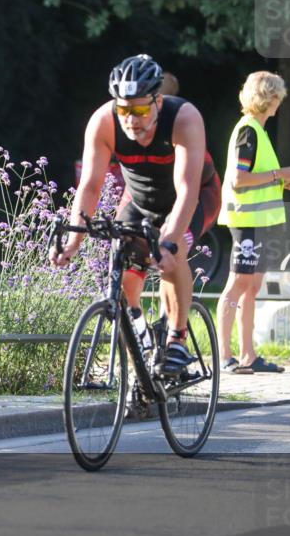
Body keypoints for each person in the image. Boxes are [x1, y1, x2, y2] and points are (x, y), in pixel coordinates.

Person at [51, 54, 220, 374]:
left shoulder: (183, 118)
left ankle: (176, 341)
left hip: (195, 196)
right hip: (139, 199)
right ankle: (139, 366)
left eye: (140, 109)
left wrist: (168, 241)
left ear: (158, 101)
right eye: (124, 109)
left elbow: (187, 190)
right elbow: (89, 186)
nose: (131, 119)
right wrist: (73, 240)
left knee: (173, 250)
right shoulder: (103, 121)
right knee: (124, 268)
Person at [216, 71, 290, 374]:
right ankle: (225, 356)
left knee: (251, 286)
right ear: (269, 98)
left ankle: (248, 356)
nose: (279, 104)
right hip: (247, 221)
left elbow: (256, 178)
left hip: (259, 222)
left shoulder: (258, 131)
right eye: (278, 97)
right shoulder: (249, 131)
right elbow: (240, 180)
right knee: (237, 285)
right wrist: (279, 175)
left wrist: (283, 181)